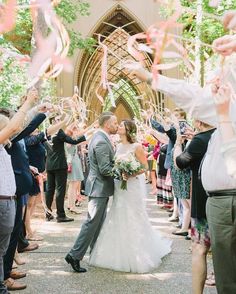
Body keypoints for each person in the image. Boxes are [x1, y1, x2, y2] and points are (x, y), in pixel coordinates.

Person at [129, 56, 236, 293]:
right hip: (219, 201)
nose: (214, 85)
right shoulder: (222, 115)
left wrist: (151, 78)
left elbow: (196, 101)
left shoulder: (227, 115)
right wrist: (150, 78)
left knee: (228, 276)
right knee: (225, 271)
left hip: (228, 200)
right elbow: (196, 99)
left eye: (220, 78)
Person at [89, 120, 172, 273]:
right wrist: (120, 171)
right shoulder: (118, 146)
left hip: (131, 186)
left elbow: (144, 167)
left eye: (121, 125)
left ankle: (137, 252)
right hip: (119, 187)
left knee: (133, 215)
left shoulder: (137, 147)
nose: (118, 126)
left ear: (128, 130)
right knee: (118, 213)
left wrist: (130, 173)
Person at [65, 112, 118, 273]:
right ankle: (74, 255)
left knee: (97, 223)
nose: (117, 125)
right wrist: (123, 173)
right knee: (91, 222)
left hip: (100, 187)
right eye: (115, 123)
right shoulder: (101, 140)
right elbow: (105, 169)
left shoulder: (100, 137)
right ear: (107, 124)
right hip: (99, 187)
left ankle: (95, 253)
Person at [0, 89, 38, 293]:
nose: (13, 131)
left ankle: (4, 278)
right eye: (7, 129)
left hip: (9, 199)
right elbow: (17, 125)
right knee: (1, 248)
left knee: (4, 247)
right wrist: (29, 102)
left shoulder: (4, 146)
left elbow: (17, 127)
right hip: (2, 201)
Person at [174, 119, 215, 294]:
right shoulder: (223, 134)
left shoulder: (200, 140)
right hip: (225, 200)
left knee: (199, 249)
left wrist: (178, 143)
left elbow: (179, 163)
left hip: (203, 201)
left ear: (199, 121)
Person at [45, 118, 86, 223]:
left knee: (50, 190)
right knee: (60, 190)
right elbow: (73, 141)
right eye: (58, 119)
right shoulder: (59, 132)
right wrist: (84, 135)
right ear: (54, 121)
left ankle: (48, 213)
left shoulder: (47, 131)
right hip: (59, 165)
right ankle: (61, 215)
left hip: (49, 165)